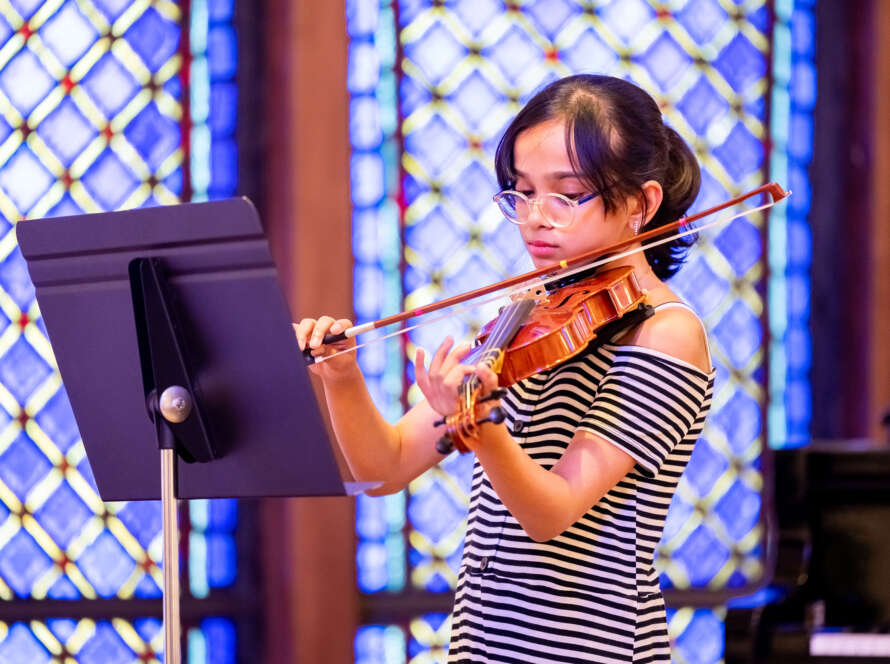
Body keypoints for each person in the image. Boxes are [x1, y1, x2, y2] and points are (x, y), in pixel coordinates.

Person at [296, 74, 715, 664]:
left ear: (642, 204)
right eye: (522, 192)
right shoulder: (531, 313)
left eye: (567, 195)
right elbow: (385, 466)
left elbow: (552, 513)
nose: (535, 218)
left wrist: (481, 423)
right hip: (487, 645)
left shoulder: (664, 333)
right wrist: (342, 378)